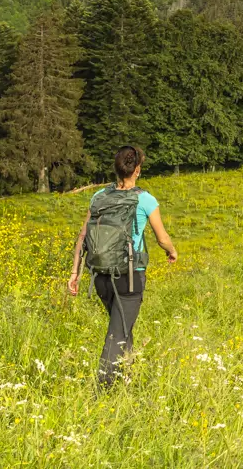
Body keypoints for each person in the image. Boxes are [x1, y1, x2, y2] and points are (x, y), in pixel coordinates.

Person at [67, 145, 177, 386]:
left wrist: (75, 272)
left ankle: (128, 378)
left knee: (122, 327)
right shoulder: (145, 199)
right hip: (129, 275)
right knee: (118, 332)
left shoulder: (99, 197)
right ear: (137, 170)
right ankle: (103, 391)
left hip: (101, 276)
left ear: (116, 170)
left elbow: (83, 234)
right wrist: (172, 251)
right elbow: (162, 238)